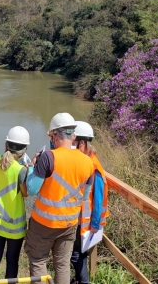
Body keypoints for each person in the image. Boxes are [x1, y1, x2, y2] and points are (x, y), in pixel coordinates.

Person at [24, 113, 95, 284]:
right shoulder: (88, 162)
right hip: (69, 223)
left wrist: (32, 167)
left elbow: (32, 189)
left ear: (54, 135)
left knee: (38, 261)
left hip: (43, 223)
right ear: (74, 136)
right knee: (62, 265)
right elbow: (85, 196)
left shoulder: (49, 157)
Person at [0, 126, 30, 280]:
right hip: (13, 225)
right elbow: (25, 193)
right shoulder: (21, 170)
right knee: (12, 260)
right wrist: (28, 169)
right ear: (24, 150)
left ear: (6, 145)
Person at [70, 121, 109, 284]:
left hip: (88, 222)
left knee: (76, 255)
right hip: (84, 220)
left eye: (72, 142)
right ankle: (80, 279)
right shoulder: (88, 160)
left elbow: (98, 198)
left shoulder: (93, 166)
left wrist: (94, 223)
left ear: (81, 143)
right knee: (80, 255)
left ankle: (83, 281)